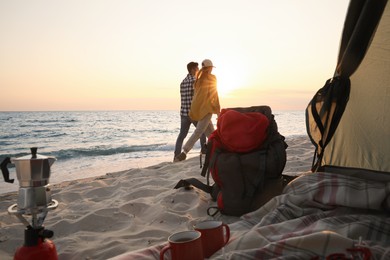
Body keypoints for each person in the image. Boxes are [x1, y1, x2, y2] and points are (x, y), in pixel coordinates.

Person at [174, 59, 221, 162]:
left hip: (194, 111)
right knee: (199, 131)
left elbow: (196, 97)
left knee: (211, 133)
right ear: (209, 68)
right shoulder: (211, 78)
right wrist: (218, 111)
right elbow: (215, 95)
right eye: (211, 68)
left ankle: (217, 150)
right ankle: (184, 152)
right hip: (206, 110)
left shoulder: (197, 80)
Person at [173, 62, 207, 161]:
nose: (198, 70)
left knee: (181, 136)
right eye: (197, 68)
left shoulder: (182, 82)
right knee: (202, 131)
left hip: (183, 113)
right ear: (192, 70)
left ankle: (176, 156)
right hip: (194, 113)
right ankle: (204, 152)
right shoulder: (195, 81)